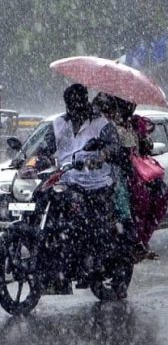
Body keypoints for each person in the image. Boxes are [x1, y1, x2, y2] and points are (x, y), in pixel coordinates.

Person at [43, 84, 121, 287]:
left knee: (89, 224)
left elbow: (114, 146)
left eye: (78, 103)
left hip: (97, 183)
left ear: (85, 101)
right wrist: (31, 161)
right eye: (70, 104)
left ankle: (94, 264)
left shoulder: (101, 124)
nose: (74, 109)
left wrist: (102, 156)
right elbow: (44, 148)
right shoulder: (58, 124)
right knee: (49, 209)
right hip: (68, 181)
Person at [94, 93, 168, 260]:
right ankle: (134, 240)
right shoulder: (101, 125)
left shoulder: (133, 125)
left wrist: (142, 141)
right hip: (110, 173)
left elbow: (141, 148)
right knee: (133, 200)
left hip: (133, 173)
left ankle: (138, 240)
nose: (131, 107)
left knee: (158, 195)